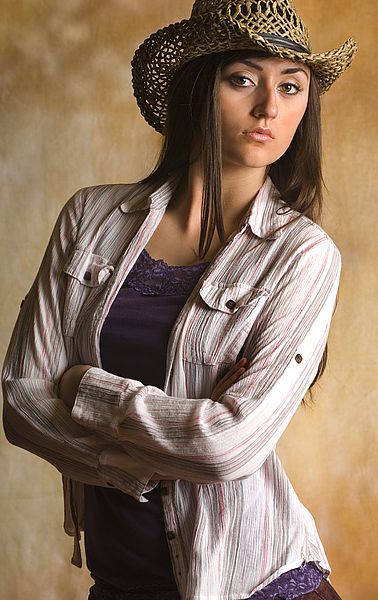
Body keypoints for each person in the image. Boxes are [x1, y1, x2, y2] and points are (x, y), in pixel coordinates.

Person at [1, 1, 357, 598]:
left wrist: (84, 388)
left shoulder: (303, 254)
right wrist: (126, 463)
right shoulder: (90, 219)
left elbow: (225, 446)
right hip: (120, 583)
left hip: (255, 583)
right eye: (243, 78)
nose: (269, 106)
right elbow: (19, 401)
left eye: (291, 86)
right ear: (196, 88)